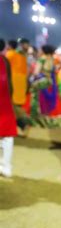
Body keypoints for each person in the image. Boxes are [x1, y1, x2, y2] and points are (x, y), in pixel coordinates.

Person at [29, 45, 61, 127]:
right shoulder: (52, 59)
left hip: (42, 81)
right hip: (51, 82)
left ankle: (37, 120)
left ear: (43, 50)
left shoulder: (42, 59)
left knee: (38, 100)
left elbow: (36, 72)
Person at [5, 39, 30, 135]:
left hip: (13, 82)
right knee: (15, 105)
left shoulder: (10, 54)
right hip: (21, 83)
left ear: (9, 46)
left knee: (13, 105)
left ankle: (23, 124)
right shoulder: (22, 56)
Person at [0, 39, 17, 178]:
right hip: (4, 102)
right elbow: (10, 83)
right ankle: (6, 166)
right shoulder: (5, 61)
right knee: (7, 136)